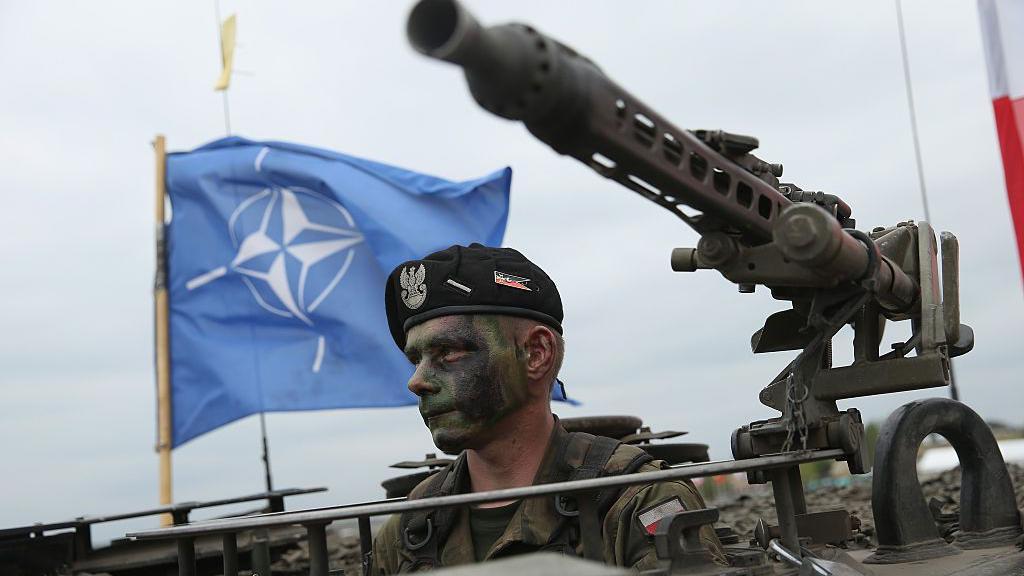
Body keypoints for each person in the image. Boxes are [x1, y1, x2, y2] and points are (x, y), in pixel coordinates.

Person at [370, 243, 723, 573]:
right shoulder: (410, 528)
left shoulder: (635, 502)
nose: (416, 381)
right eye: (415, 359)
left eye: (447, 352)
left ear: (536, 354)